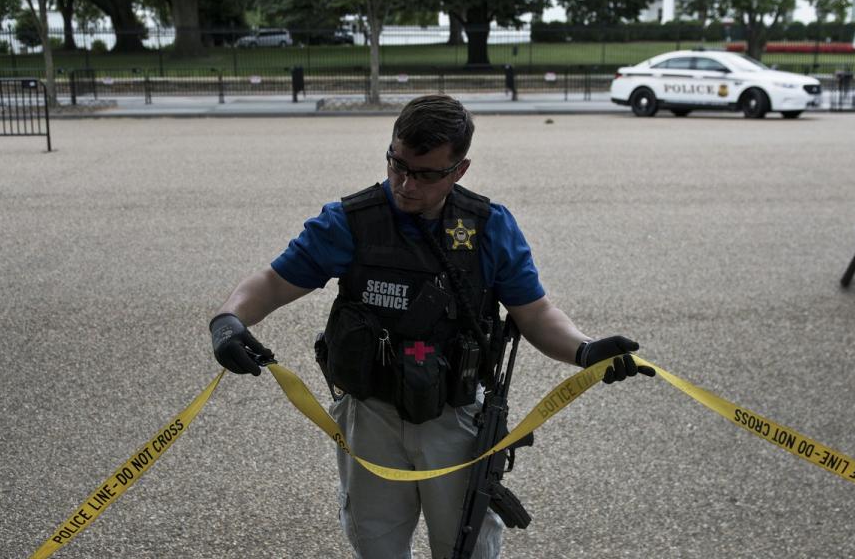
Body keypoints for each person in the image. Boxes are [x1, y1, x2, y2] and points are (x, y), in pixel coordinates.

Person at [209, 94, 654, 559]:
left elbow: (536, 313)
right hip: (371, 413)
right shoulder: (349, 222)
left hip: (456, 416)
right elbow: (274, 282)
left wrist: (585, 351)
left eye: (425, 174)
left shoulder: (489, 227)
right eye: (397, 164)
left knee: (467, 548)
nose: (404, 184)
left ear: (459, 170)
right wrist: (228, 320)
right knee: (376, 547)